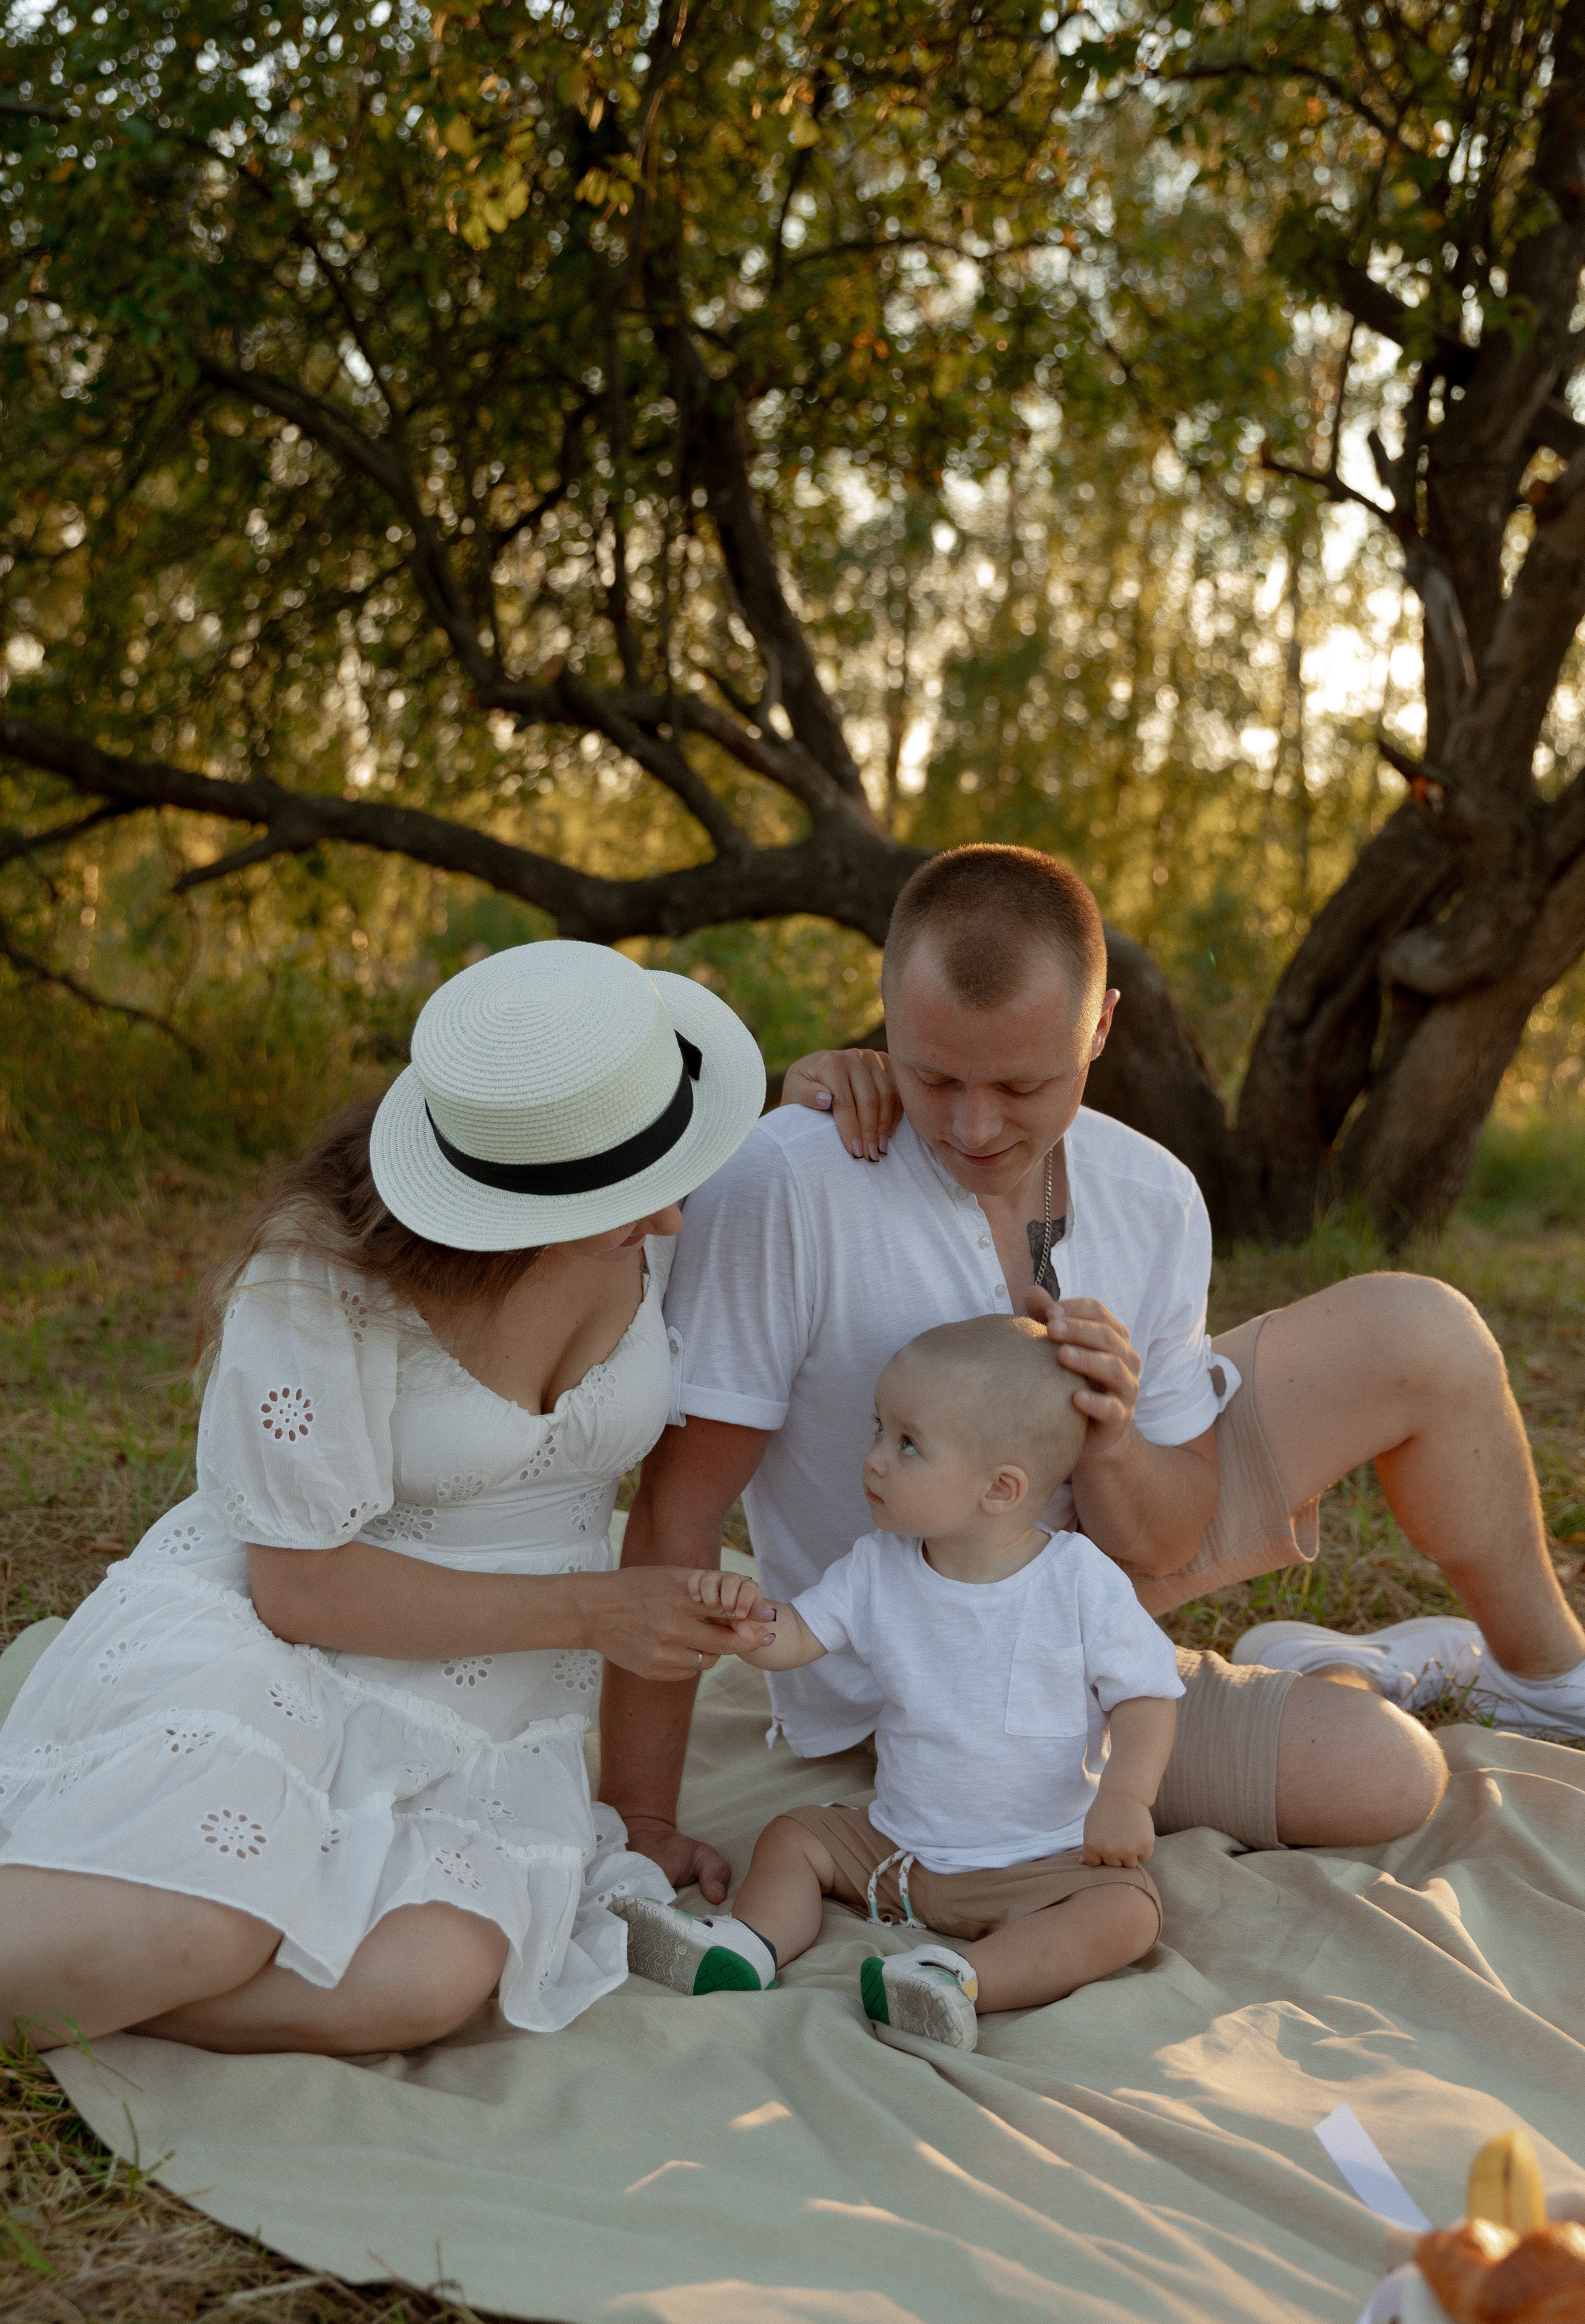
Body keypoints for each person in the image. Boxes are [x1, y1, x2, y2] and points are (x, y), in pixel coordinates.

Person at [601, 844, 1585, 1908]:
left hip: (1093, 1577)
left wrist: (1112, 1433)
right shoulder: (789, 1181)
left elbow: (1158, 1542)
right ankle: (1346, 1672)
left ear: (1102, 1027)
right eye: (934, 1075)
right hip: (942, 1663)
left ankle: (1547, 1680)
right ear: (883, 1017)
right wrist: (642, 1823)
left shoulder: (1152, 1192)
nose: (976, 1128)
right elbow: (676, 1511)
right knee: (1386, 1775)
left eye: (1025, 1084)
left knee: (1420, 1331)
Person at [0, 941, 778, 2057]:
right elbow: (299, 1590)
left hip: (501, 1711)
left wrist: (867, 1073)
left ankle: (93, 1967)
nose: (667, 1228)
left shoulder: (655, 1209)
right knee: (206, 1927)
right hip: (294, 1638)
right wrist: (599, 1612)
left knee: (423, 1986)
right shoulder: (321, 1273)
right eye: (624, 1204)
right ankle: (119, 1941)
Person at [614, 1316, 1182, 2053]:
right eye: (878, 1431)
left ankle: (955, 1978)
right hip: (897, 1850)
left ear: (1000, 1488)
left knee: (1126, 1915)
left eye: (907, 1444)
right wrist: (746, 1620)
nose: (874, 1462)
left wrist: (1125, 1799)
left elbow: (1145, 1696)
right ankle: (749, 1947)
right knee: (793, 1837)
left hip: (1041, 1862)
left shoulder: (1077, 1581)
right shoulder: (877, 1567)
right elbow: (797, 1637)